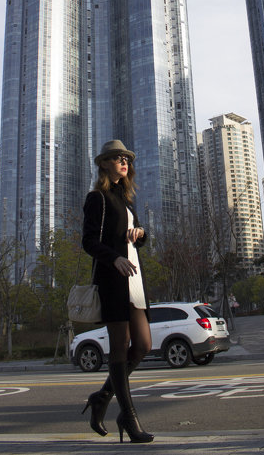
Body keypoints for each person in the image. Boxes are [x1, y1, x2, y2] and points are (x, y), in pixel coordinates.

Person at [81, 140, 154, 443]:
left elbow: (133, 239)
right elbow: (88, 241)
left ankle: (102, 397)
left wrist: (140, 234)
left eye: (126, 158)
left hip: (134, 278)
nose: (124, 162)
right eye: (117, 158)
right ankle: (129, 416)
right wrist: (114, 258)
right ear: (104, 164)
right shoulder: (96, 198)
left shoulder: (126, 200)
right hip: (113, 279)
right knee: (120, 346)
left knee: (144, 345)